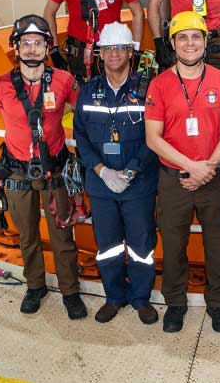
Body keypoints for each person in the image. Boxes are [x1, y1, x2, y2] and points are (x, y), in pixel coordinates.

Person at [0, 14, 87, 320]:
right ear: (16, 47)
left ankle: (70, 291)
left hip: (56, 170)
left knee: (63, 234)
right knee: (27, 235)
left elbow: (86, 114)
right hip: (15, 172)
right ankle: (35, 286)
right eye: (26, 43)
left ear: (48, 47)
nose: (32, 49)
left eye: (38, 43)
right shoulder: (0, 85)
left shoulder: (64, 81)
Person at [144, 11, 220, 334]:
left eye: (196, 36)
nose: (190, 43)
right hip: (174, 180)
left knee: (217, 244)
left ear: (206, 42)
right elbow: (152, 137)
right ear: (172, 43)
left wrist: (208, 167)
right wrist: (191, 166)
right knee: (173, 246)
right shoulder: (160, 84)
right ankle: (175, 304)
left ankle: (219, 305)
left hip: (213, 178)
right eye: (182, 37)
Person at [72, 22, 160, 325]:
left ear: (130, 53)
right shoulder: (88, 91)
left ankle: (140, 298)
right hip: (101, 185)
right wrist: (100, 169)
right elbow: (80, 136)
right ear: (100, 53)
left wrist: (133, 169)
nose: (114, 54)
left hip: (139, 184)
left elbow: (156, 134)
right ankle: (114, 296)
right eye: (108, 48)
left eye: (120, 48)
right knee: (107, 244)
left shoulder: (148, 89)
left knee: (141, 245)